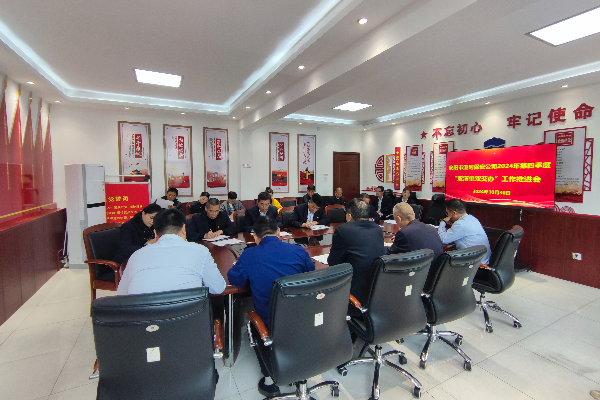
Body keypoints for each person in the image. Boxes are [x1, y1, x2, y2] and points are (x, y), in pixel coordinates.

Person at [227, 216, 314, 397]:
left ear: (255, 236)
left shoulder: (250, 254)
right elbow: (310, 274)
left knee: (253, 318)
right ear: (278, 232)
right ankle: (299, 371)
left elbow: (235, 278)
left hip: (270, 323)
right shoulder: (298, 250)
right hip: (302, 317)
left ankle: (269, 381)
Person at [117, 208, 226, 295]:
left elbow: (121, 294)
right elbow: (218, 288)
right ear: (183, 229)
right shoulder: (200, 251)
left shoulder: (136, 255)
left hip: (144, 316)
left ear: (155, 233)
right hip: (187, 315)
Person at [328, 198, 386, 311]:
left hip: (354, 292)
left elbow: (333, 263)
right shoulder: (377, 229)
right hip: (376, 291)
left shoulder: (343, 230)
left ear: (349, 216)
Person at [438, 198, 491, 264]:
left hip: (475, 265)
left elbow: (443, 240)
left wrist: (442, 222)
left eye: (447, 213)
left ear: (453, 213)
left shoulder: (460, 224)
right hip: (483, 260)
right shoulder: (472, 218)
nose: (447, 216)